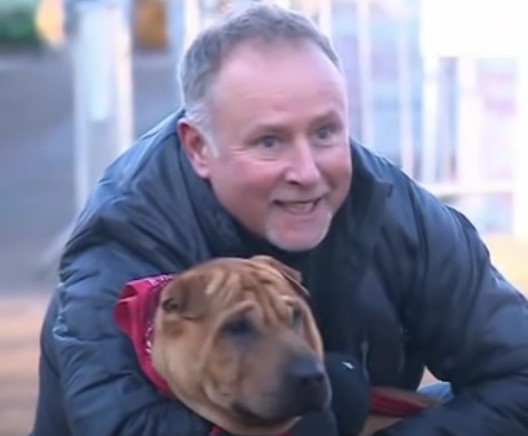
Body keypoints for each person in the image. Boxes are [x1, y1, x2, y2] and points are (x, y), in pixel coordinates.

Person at [31, 4, 528, 436]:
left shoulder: (395, 210)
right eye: (270, 141)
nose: (308, 172)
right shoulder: (126, 238)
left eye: (326, 131)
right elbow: (122, 426)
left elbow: (518, 373)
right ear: (199, 147)